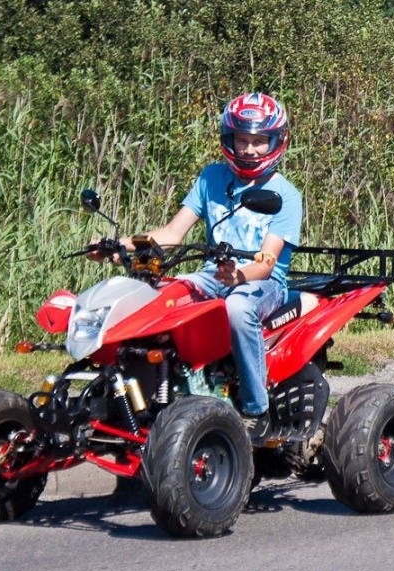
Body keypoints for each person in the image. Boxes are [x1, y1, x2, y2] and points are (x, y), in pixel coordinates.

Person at [93, 92, 303, 440]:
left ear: (276, 142)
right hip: (212, 273)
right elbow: (173, 233)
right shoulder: (211, 178)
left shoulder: (286, 195)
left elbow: (266, 263)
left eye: (259, 142)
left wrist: (239, 275)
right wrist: (119, 244)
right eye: (241, 140)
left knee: (237, 307)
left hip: (262, 284)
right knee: (162, 294)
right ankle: (145, 394)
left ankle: (256, 410)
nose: (249, 150)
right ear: (228, 139)